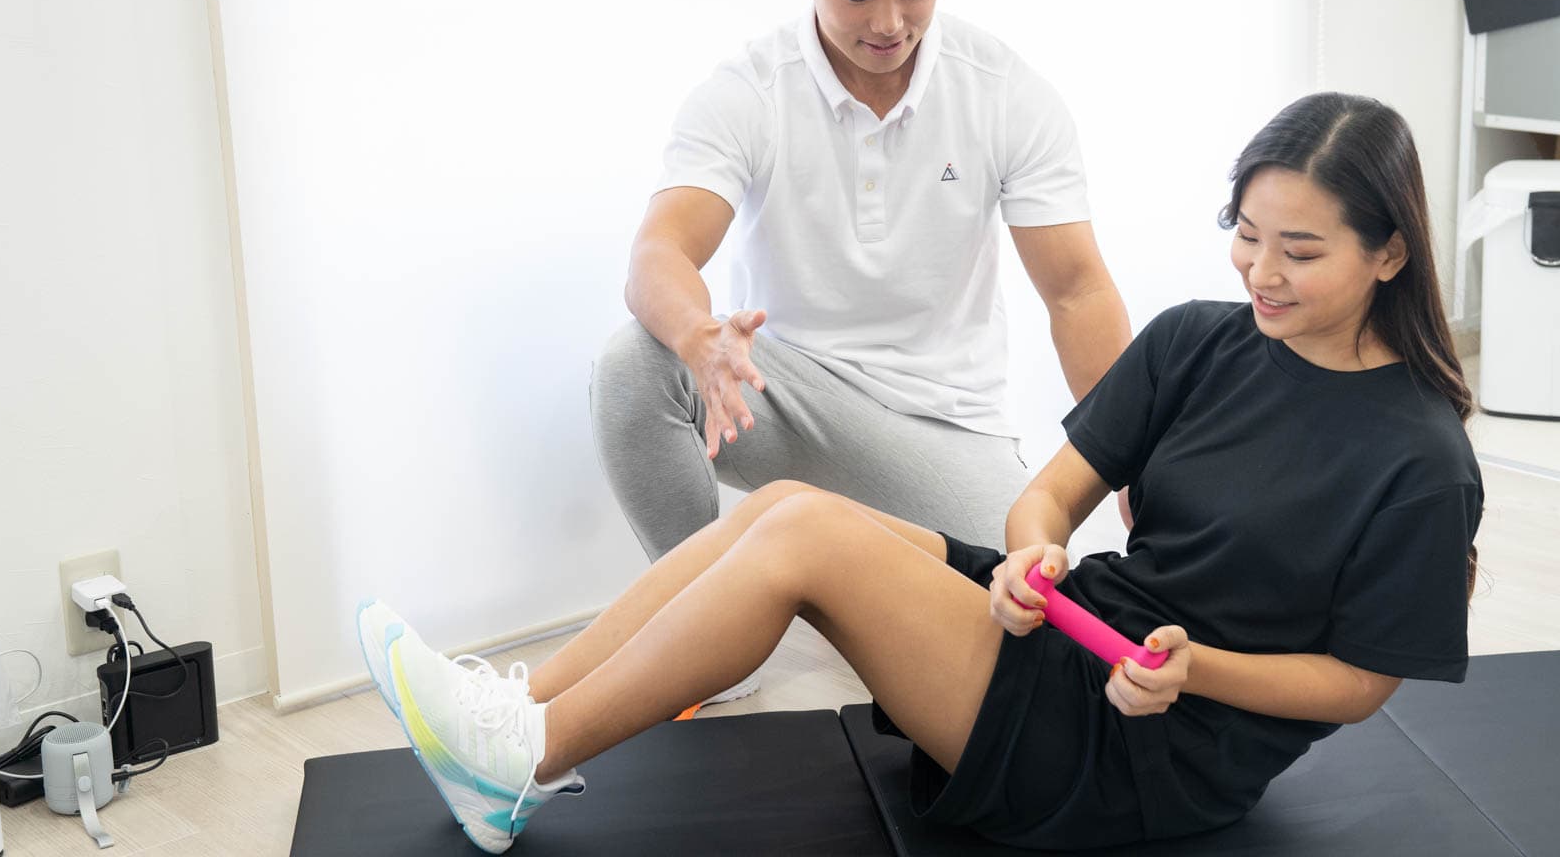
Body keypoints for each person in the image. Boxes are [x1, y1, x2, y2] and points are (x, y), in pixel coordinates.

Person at [360, 92, 1485, 853]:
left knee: (806, 538)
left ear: (1390, 252)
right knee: (791, 504)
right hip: (1083, 627)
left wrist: (1195, 671)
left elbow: (1358, 685)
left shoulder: (1421, 462)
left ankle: (522, 761)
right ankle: (520, 713)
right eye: (1247, 233)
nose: (1260, 272)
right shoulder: (1199, 338)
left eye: (1300, 251)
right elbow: (1054, 495)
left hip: (1150, 739)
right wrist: (1034, 552)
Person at [591, 0, 1134, 587]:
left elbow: (1077, 291)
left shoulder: (1004, 91)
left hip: (943, 425)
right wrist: (700, 338)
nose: (889, 23)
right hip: (785, 398)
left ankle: (820, 572)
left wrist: (1133, 457)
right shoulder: (748, 92)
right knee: (635, 364)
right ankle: (689, 613)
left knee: (1015, 605)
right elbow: (661, 250)